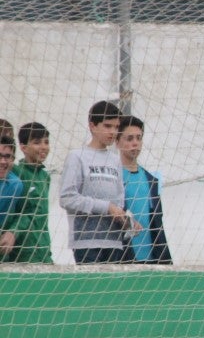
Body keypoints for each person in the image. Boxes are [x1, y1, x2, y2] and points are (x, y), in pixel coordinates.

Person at [59, 100, 140, 264]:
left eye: (116, 127)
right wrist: (106, 207)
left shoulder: (115, 160)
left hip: (114, 242)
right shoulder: (77, 157)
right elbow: (67, 198)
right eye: (108, 126)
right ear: (92, 126)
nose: (113, 132)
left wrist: (126, 220)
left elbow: (119, 202)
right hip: (86, 242)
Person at [116, 115, 173, 264]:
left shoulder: (151, 180)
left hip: (153, 258)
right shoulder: (114, 178)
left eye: (138, 138)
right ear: (117, 142)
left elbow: (157, 222)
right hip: (122, 257)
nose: (135, 143)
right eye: (129, 139)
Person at [6, 122, 53, 263]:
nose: (43, 147)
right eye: (37, 142)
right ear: (23, 147)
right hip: (21, 252)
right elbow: (21, 213)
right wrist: (13, 232)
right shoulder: (16, 173)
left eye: (46, 142)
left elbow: (41, 218)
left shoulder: (45, 177)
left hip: (44, 251)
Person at [0, 135, 21, 259]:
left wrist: (13, 231)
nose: (3, 161)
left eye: (7, 157)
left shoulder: (15, 185)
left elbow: (24, 213)